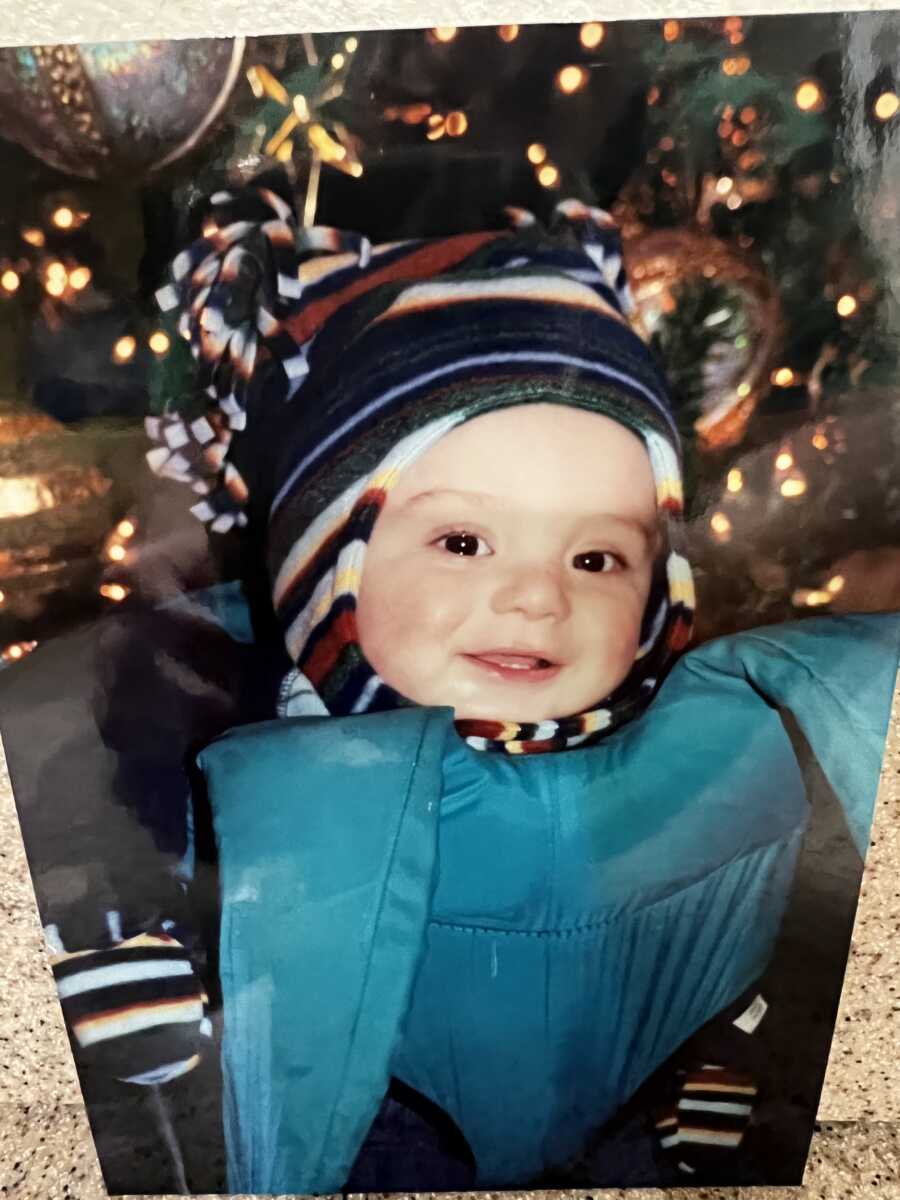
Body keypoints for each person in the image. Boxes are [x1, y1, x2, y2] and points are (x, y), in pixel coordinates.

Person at [3, 171, 897, 1194]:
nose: (535, 599)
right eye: (464, 540)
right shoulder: (197, 742)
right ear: (327, 565)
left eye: (597, 559)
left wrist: (723, 1075)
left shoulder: (692, 750)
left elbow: (749, 945)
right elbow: (102, 891)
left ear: (662, 593)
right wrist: (135, 1008)